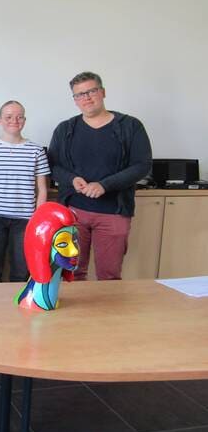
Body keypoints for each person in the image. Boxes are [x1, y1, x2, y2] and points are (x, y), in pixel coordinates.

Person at [48, 71, 152, 280]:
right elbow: (53, 164)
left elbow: (142, 165)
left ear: (102, 92)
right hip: (73, 212)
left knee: (109, 276)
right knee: (72, 273)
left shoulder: (130, 126)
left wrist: (105, 185)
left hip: (113, 213)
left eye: (91, 91)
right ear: (75, 100)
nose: (86, 98)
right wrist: (71, 179)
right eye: (80, 94)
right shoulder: (65, 129)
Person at [0, 100, 50, 283]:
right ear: (0, 120)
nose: (14, 121)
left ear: (24, 120)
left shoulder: (36, 151)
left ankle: (17, 302)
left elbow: (42, 190)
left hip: (25, 221)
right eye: (8, 117)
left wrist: (37, 221)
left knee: (21, 272)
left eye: (19, 117)